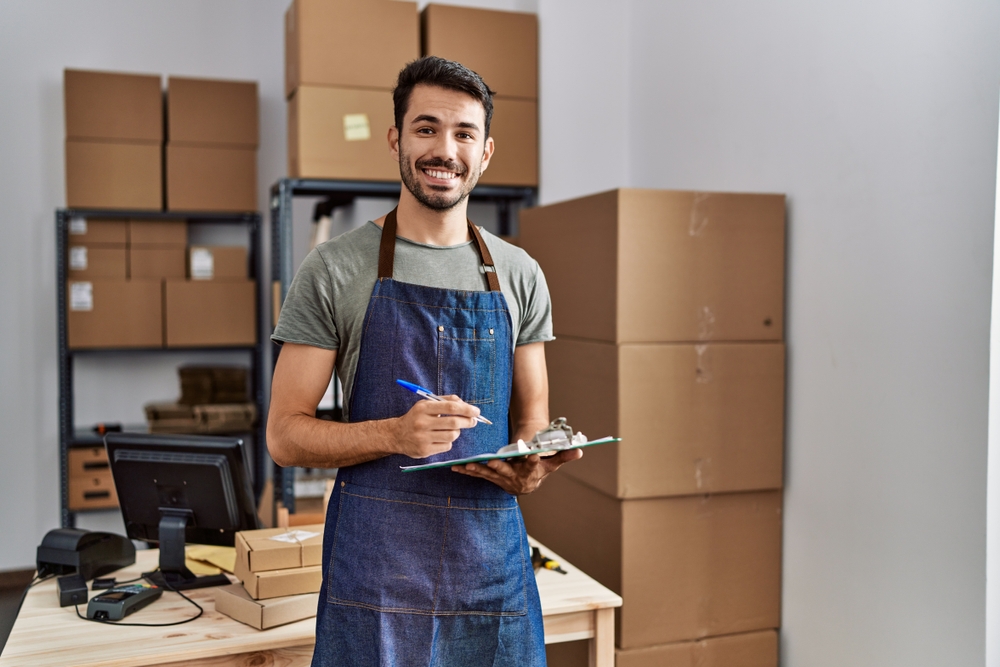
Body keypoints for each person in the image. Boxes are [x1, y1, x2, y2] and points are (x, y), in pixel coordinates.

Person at [267, 56, 581, 667]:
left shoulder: (519, 275)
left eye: (464, 133)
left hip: (490, 575)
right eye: (426, 128)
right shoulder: (335, 269)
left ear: (485, 152)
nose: (445, 149)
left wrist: (533, 466)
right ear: (396, 140)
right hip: (376, 577)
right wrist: (394, 433)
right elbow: (283, 435)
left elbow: (531, 426)